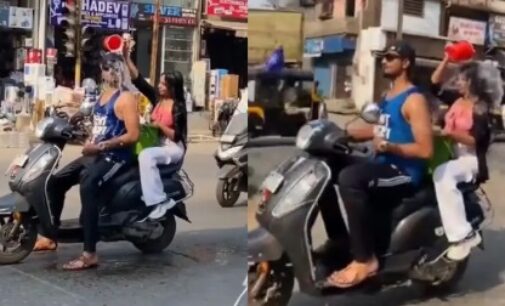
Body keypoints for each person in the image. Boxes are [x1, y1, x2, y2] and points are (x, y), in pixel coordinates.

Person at [326, 41, 434, 288]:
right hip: (383, 165)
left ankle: (365, 260)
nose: (384, 61)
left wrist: (393, 148)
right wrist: (343, 133)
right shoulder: (387, 97)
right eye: (383, 57)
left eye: (390, 57)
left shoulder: (414, 100)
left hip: (404, 172)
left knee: (351, 179)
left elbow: (425, 149)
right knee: (330, 165)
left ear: (405, 63)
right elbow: (378, 129)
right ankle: (340, 240)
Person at [33, 53, 140, 271]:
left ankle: (90, 253)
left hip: (115, 157)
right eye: (106, 69)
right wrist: (88, 137)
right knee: (55, 181)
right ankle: (50, 235)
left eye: (111, 68)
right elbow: (99, 124)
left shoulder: (126, 98)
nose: (108, 72)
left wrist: (101, 146)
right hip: (95, 154)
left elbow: (133, 135)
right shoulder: (103, 95)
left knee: (88, 186)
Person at [430, 55, 496, 260]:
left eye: (461, 79)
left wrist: (448, 134)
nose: (457, 82)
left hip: (472, 161)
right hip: (452, 156)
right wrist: (446, 59)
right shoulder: (457, 100)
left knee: (443, 174)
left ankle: (463, 234)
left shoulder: (480, 107)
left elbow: (477, 142)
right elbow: (433, 85)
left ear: (472, 82)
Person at [123, 41, 188, 220]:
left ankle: (159, 200)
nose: (159, 86)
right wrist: (126, 57)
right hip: (157, 143)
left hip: (173, 148)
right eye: (159, 83)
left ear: (172, 88)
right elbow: (139, 81)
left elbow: (177, 136)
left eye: (163, 85)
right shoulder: (157, 100)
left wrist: (159, 125)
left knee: (146, 156)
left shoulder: (178, 107)